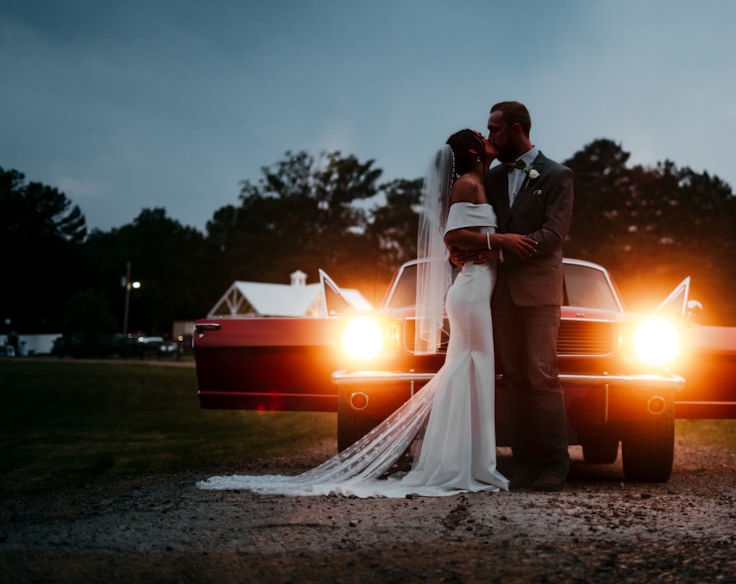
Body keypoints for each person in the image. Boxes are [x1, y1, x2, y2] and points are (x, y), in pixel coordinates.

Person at [197, 129, 537, 497]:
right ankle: (461, 467)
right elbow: (452, 239)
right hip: (469, 293)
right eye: (483, 136)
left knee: (471, 372)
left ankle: (467, 463)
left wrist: (492, 246)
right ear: (473, 151)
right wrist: (499, 241)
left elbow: (466, 237)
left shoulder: (482, 182)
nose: (490, 139)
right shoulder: (467, 185)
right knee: (467, 370)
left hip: (478, 290)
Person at [485, 101, 574, 492]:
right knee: (513, 378)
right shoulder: (490, 177)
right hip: (501, 292)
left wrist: (504, 247)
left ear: (517, 129)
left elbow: (554, 234)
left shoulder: (558, 175)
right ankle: (522, 463)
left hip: (539, 292)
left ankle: (555, 464)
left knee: (541, 376)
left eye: (495, 130)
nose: (490, 137)